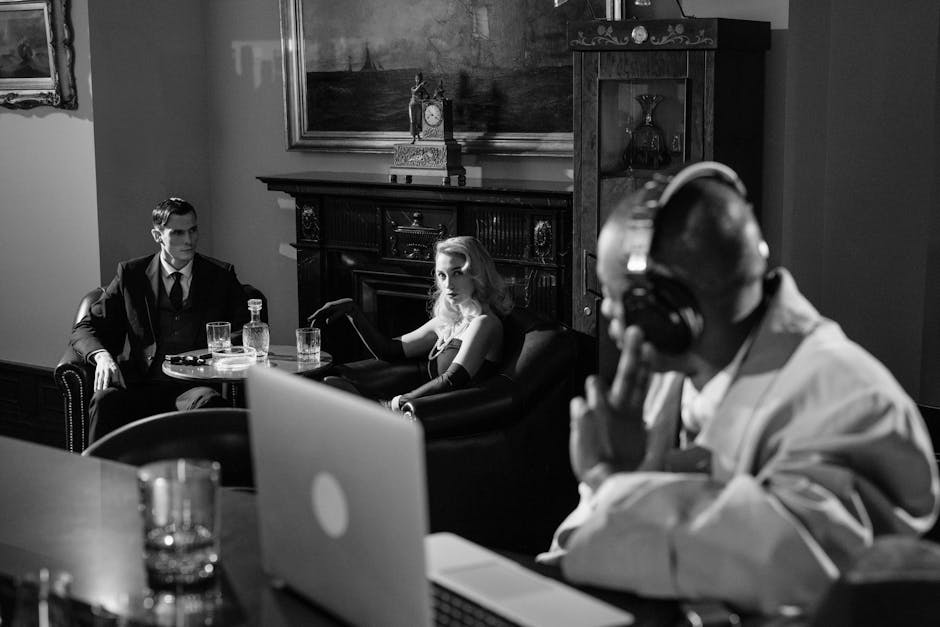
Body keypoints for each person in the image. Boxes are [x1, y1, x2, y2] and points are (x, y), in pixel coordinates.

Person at [537, 162, 940, 617]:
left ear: (668, 309)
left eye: (615, 295)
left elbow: (785, 563)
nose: (606, 311)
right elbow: (579, 550)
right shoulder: (672, 375)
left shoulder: (855, 400)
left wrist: (612, 481)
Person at [70, 197, 250, 442]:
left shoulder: (220, 275)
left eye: (193, 230)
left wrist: (214, 355)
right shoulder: (131, 274)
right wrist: (101, 356)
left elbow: (246, 329)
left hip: (192, 388)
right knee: (105, 401)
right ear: (157, 235)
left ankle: (209, 469)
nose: (189, 240)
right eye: (178, 232)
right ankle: (97, 468)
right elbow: (85, 327)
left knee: (210, 403)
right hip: (140, 385)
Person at [308, 235, 513, 411]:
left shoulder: (485, 323)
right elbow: (389, 351)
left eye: (457, 272)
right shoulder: (449, 321)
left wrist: (393, 404)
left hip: (447, 415)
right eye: (442, 275)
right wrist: (353, 311)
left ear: (477, 274)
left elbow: (452, 379)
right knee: (328, 384)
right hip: (419, 407)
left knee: (334, 394)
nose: (448, 284)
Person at [408, 71, 429, 143]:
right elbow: (414, 91)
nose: (418, 80)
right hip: (412, 106)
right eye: (417, 79)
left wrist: (424, 100)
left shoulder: (422, 89)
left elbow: (427, 96)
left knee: (418, 121)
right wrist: (421, 85)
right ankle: (414, 138)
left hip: (419, 106)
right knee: (413, 121)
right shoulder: (413, 88)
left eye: (419, 79)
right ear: (415, 79)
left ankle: (418, 136)